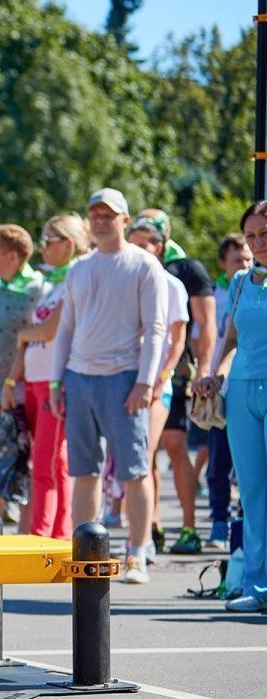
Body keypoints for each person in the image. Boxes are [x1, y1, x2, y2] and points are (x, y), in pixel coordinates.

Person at [49, 188, 166, 585]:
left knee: (134, 470)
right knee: (84, 471)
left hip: (123, 378)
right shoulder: (80, 268)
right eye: (95, 214)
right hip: (80, 377)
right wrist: (56, 380)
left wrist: (146, 382)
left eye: (109, 214)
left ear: (125, 220)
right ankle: (85, 555)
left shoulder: (144, 265)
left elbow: (155, 330)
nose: (101, 220)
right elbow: (66, 328)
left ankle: (137, 553)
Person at [195, 202, 267, 611]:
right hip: (241, 391)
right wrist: (216, 375)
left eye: (265, 234)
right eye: (251, 236)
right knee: (252, 494)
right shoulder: (241, 280)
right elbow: (231, 341)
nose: (258, 243)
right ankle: (256, 587)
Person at [132, 209, 217, 555]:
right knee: (144, 453)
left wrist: (204, 368)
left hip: (176, 371)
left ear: (163, 237)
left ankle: (188, 527)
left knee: (175, 445)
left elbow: (206, 323)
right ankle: (150, 527)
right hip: (137, 370)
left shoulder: (186, 271)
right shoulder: (130, 268)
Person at [1, 215, 87, 539]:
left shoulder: (75, 280)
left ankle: (45, 535)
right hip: (34, 381)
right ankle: (53, 532)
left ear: (68, 243)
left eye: (49, 241)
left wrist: (24, 333)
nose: (42, 248)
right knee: (51, 462)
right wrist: (11, 382)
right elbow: (33, 338)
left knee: (48, 463)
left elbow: (52, 330)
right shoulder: (52, 283)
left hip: (57, 381)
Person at [126, 217, 196, 558]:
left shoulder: (171, 284)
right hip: (126, 378)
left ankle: (148, 540)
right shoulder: (124, 280)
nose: (137, 250)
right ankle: (151, 527)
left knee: (145, 452)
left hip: (157, 384)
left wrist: (162, 375)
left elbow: (178, 337)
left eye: (144, 244)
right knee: (141, 458)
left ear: (158, 248)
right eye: (132, 243)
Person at [0, 225, 47, 516]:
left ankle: (24, 532)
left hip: (15, 390)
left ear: (13, 256)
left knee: (20, 463)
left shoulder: (37, 288)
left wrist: (12, 379)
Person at [204, 234, 253, 551]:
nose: (245, 263)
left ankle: (240, 523)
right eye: (238, 259)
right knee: (220, 460)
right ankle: (220, 521)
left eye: (247, 258)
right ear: (224, 262)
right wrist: (210, 374)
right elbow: (223, 338)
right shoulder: (230, 287)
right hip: (230, 383)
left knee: (250, 473)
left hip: (251, 382)